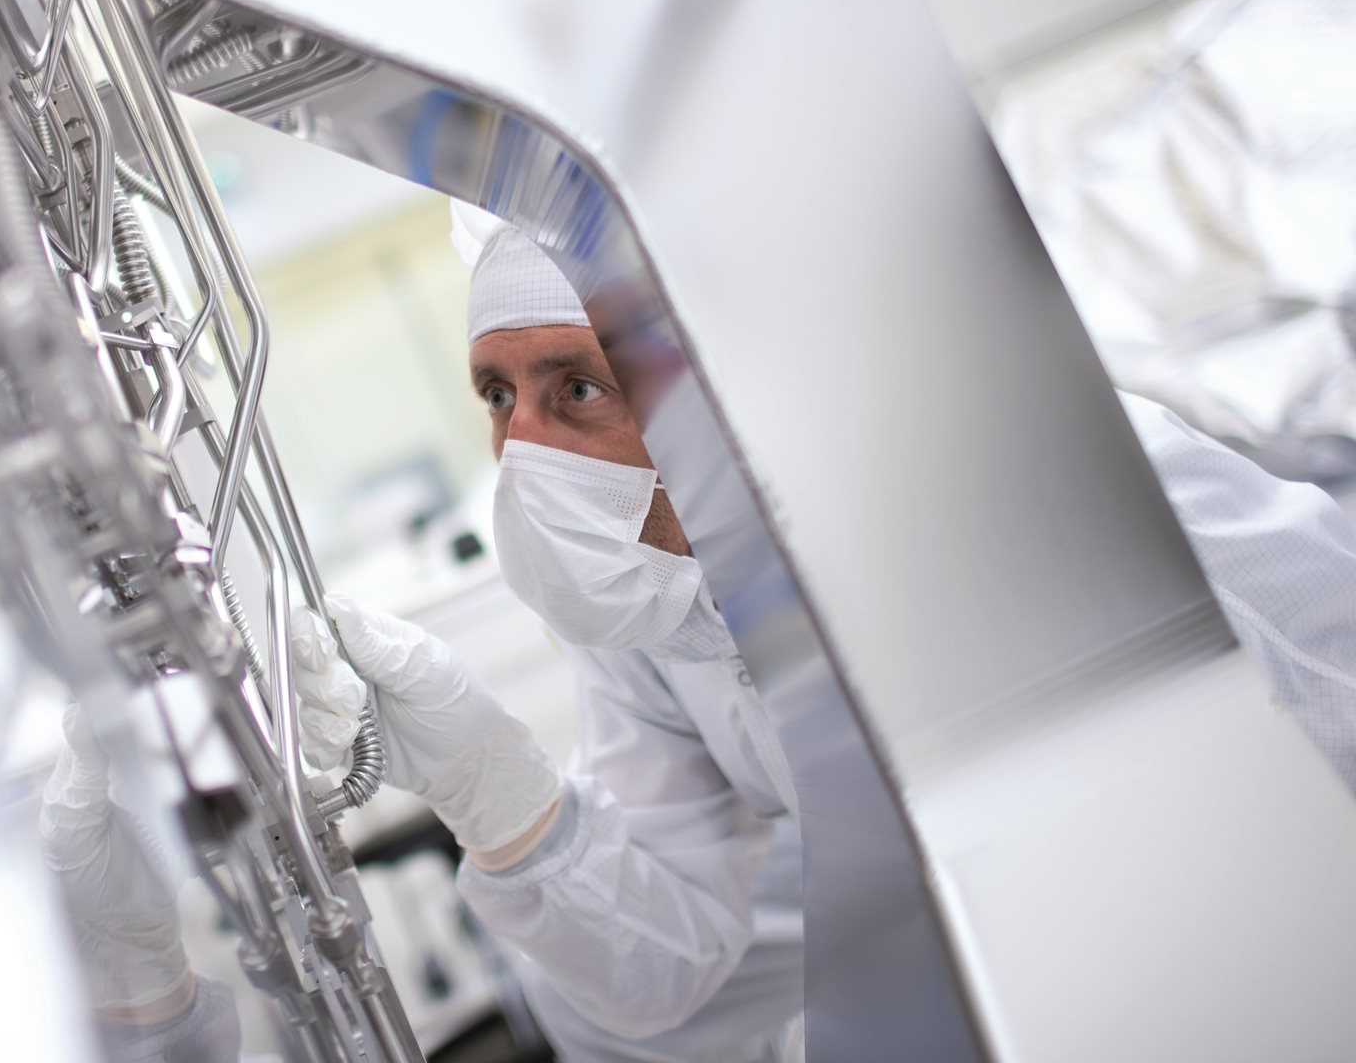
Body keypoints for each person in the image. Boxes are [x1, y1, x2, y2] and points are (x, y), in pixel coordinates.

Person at [286, 224, 1356, 1062]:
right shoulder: (656, 609)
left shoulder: (1055, 470)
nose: (525, 450)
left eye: (577, 387)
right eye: (497, 394)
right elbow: (670, 982)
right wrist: (498, 791)